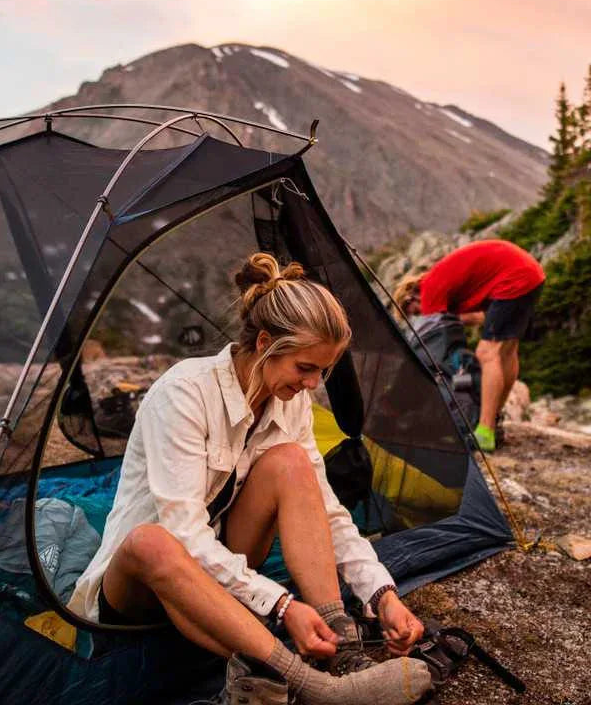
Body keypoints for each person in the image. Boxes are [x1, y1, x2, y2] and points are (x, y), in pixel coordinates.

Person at [68, 253, 431, 705]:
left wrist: (381, 593)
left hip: (223, 561)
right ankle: (313, 687)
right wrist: (280, 604)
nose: (314, 384)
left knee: (292, 462)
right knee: (153, 540)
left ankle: (342, 649)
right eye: (305, 368)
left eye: (324, 370)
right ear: (264, 343)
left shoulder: (288, 400)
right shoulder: (184, 393)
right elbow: (184, 533)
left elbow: (326, 506)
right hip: (146, 583)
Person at [393, 239, 544, 453]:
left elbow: (436, 340)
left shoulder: (428, 290)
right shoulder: (443, 284)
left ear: (411, 299)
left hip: (513, 279)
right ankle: (492, 422)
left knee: (486, 353)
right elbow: (478, 317)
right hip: (530, 274)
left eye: (415, 314)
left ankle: (485, 431)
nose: (421, 317)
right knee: (507, 352)